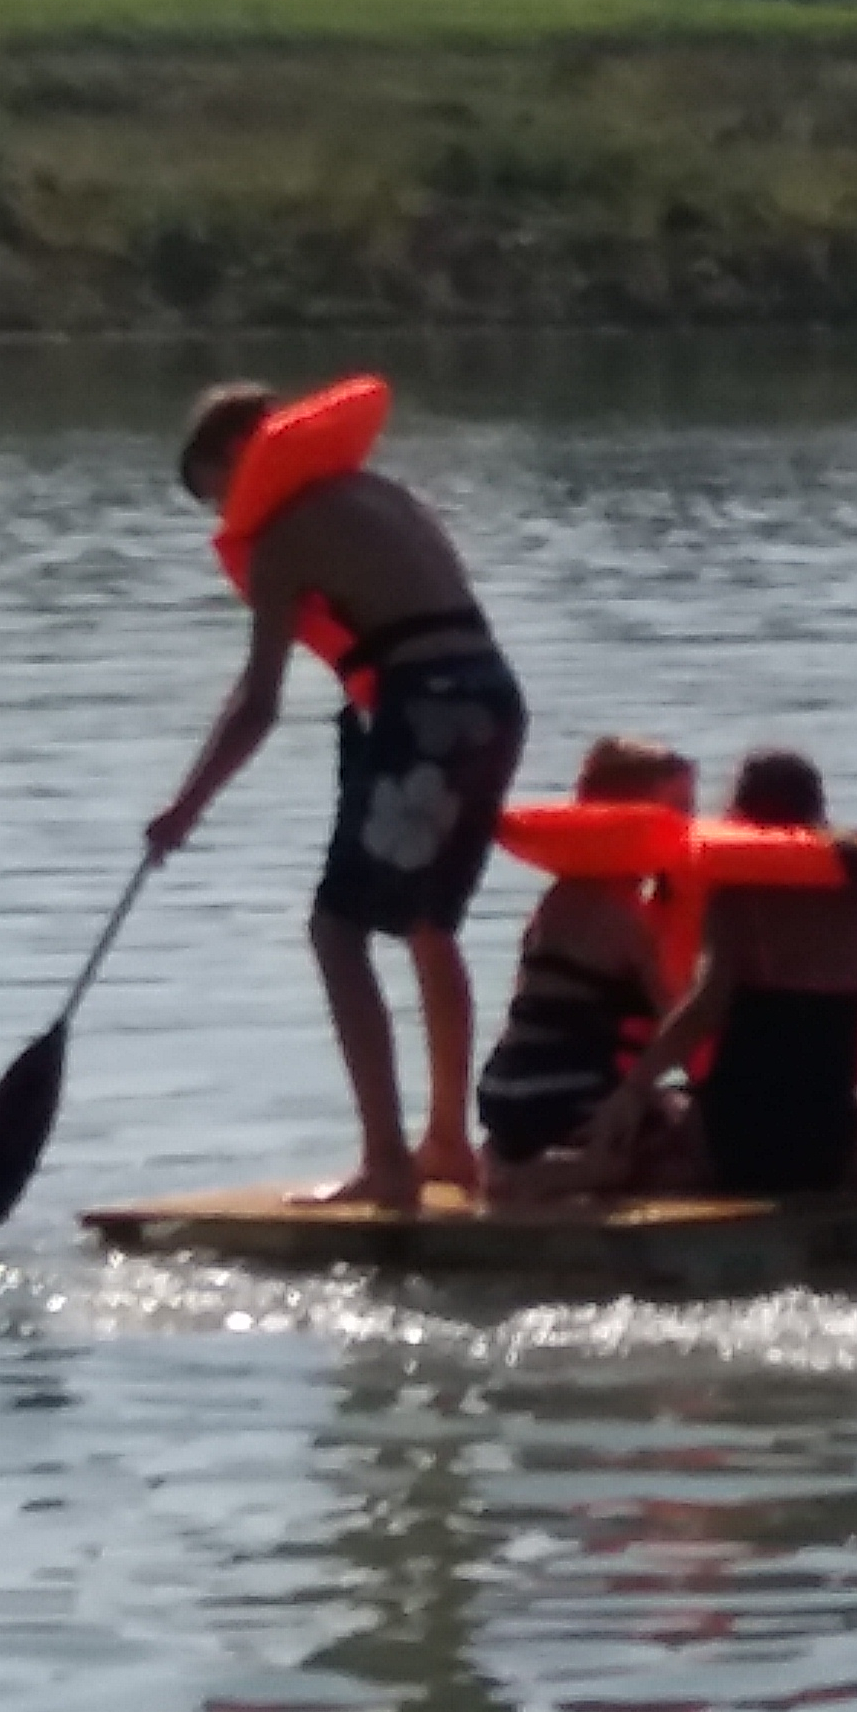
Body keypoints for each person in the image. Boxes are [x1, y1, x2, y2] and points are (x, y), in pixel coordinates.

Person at [145, 378, 527, 1213]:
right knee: (428, 924)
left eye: (215, 491)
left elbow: (258, 703)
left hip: (424, 710)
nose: (224, 512)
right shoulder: (380, 492)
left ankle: (387, 1164)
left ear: (237, 455)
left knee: (336, 931)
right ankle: (447, 1142)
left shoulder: (284, 534)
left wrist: (185, 807)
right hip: (493, 698)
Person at [589, 749, 857, 1199]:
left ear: (740, 814)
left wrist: (634, 1089)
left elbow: (705, 1007)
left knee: (669, 1111)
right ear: (818, 812)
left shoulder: (735, 893)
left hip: (730, 1146)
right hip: (831, 1150)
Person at [473, 735, 697, 1197]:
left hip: (505, 1086)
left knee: (658, 1111)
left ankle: (505, 1159)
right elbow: (679, 1028)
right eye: (678, 813)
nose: (691, 829)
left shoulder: (555, 901)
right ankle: (558, 1175)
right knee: (690, 1145)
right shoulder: (629, 918)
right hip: (566, 1093)